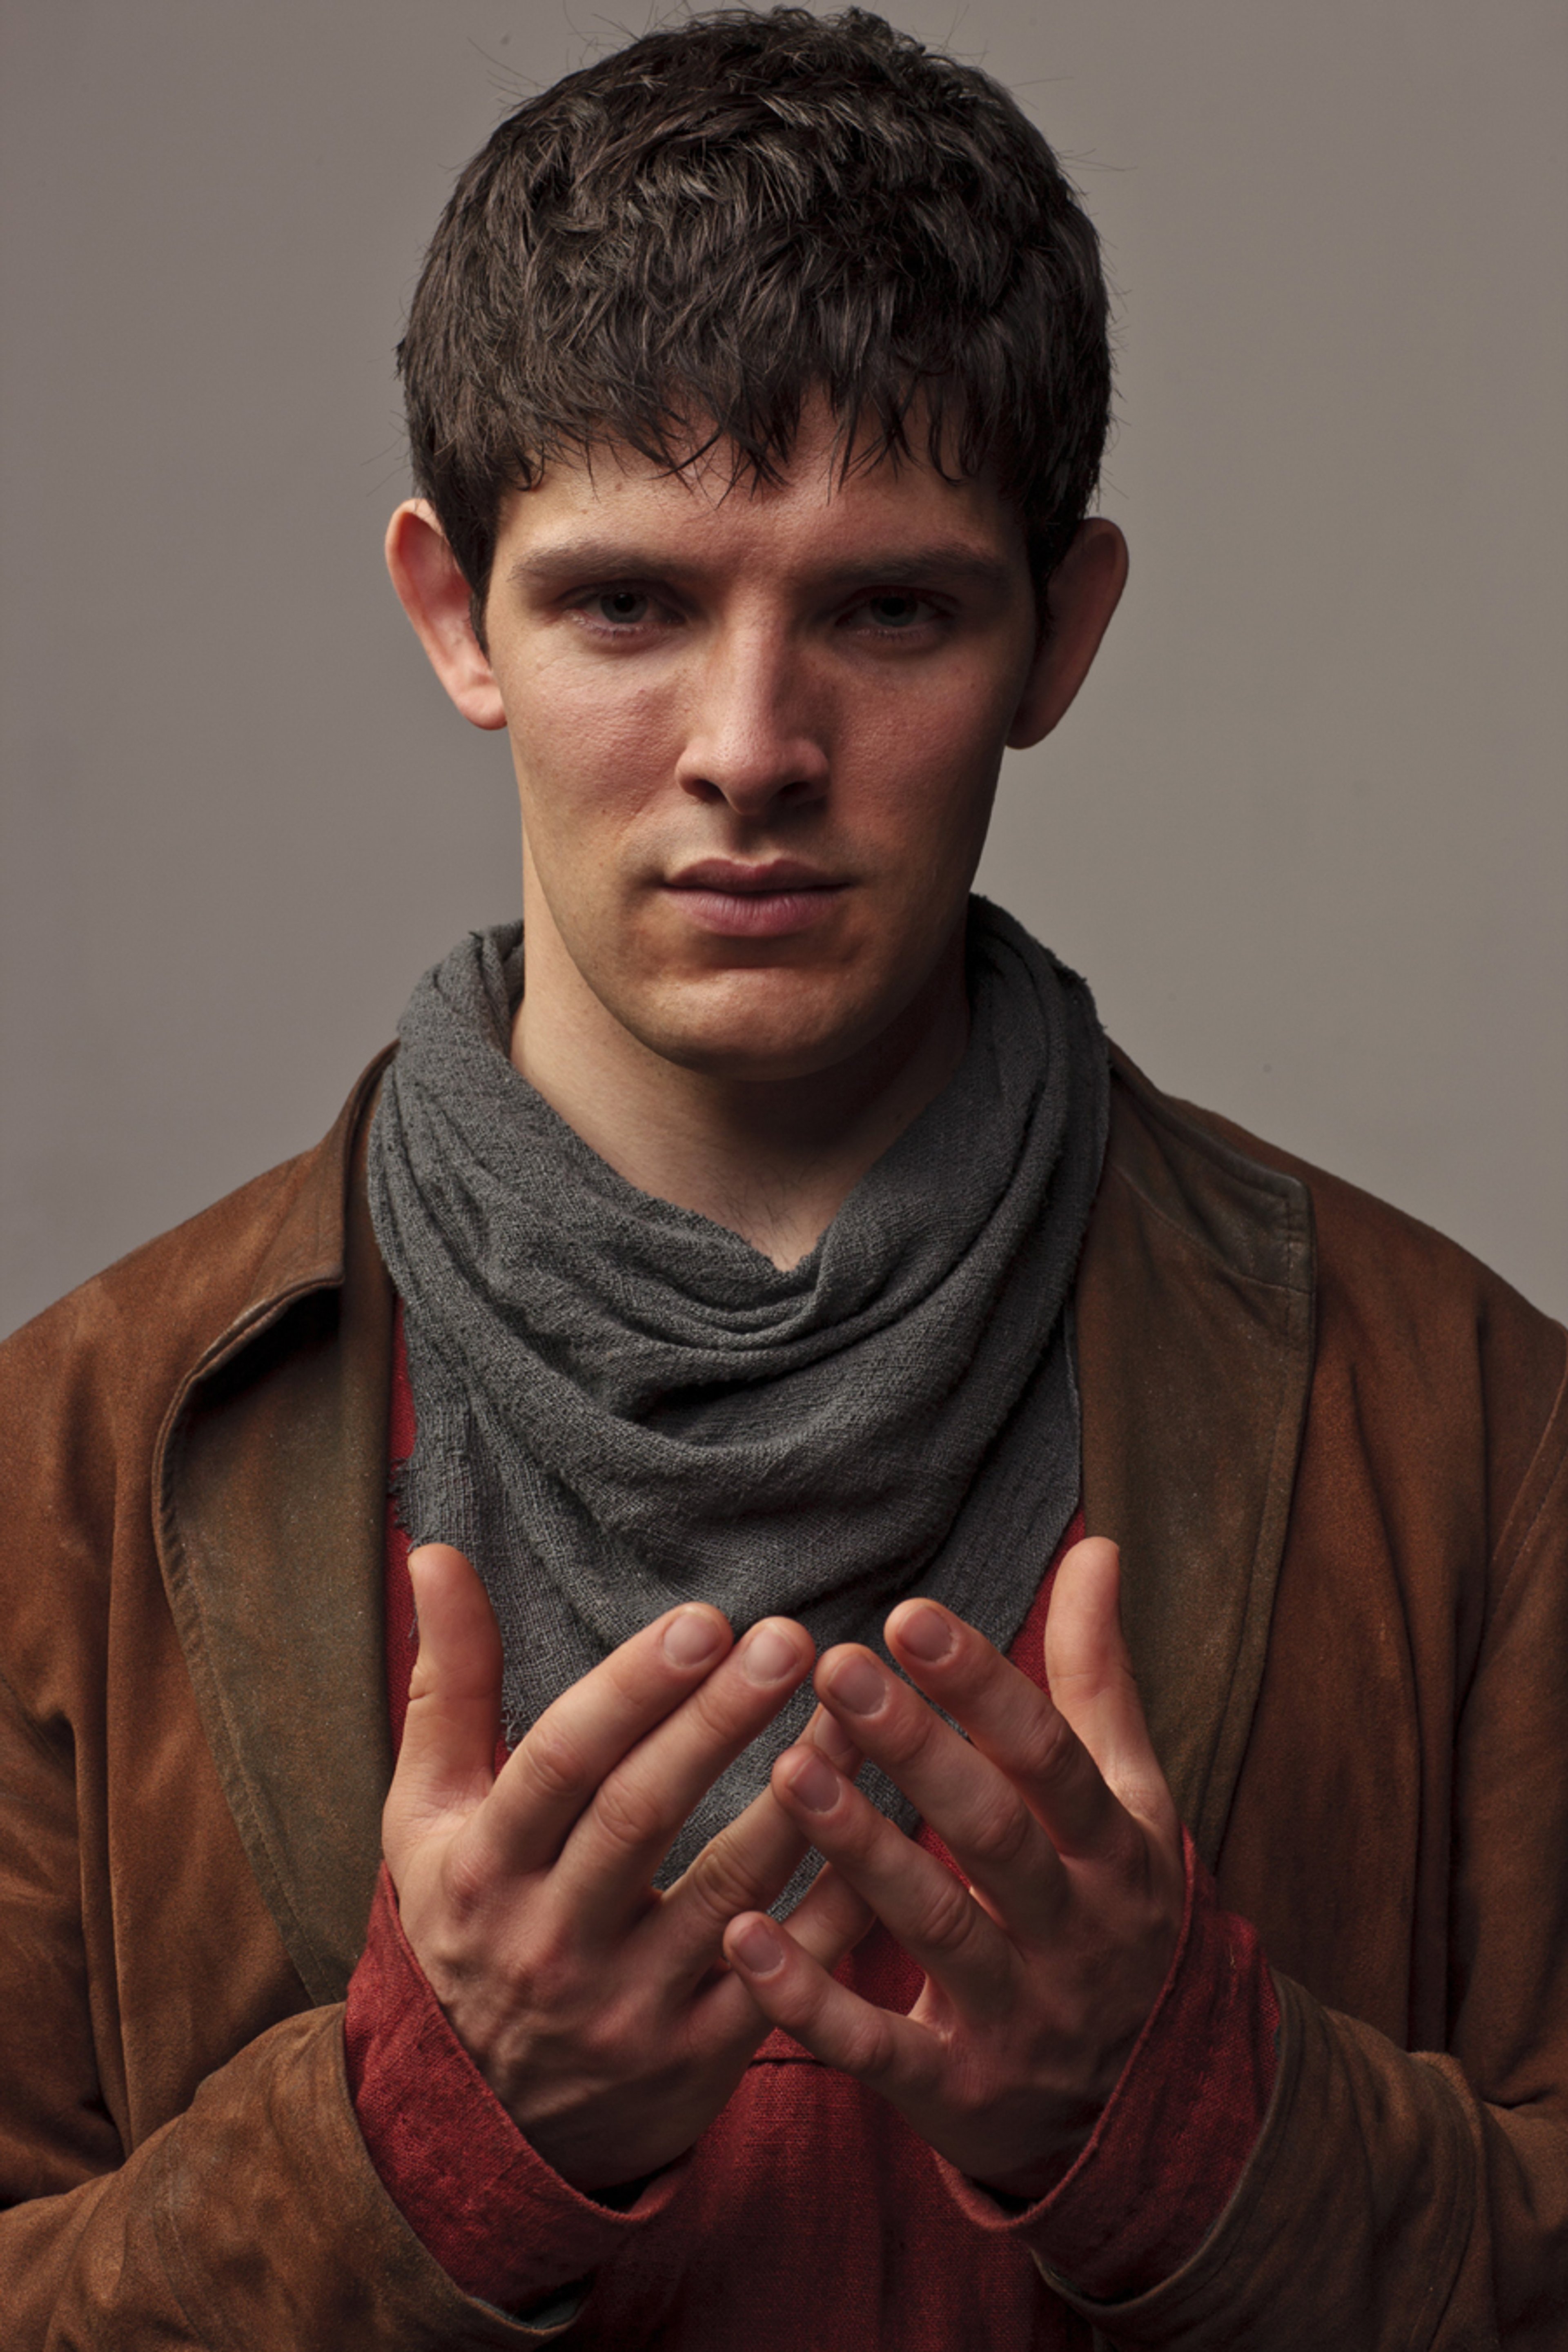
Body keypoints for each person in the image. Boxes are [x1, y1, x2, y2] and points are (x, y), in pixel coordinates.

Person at [1, 8, 1564, 2345]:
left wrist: (1184, 2121)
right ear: (458, 615)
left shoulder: (1459, 1415)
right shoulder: (66, 1462)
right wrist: (431, 2142)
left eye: (891, 609)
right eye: (629, 604)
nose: (754, 751)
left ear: (1064, 634)